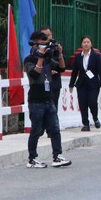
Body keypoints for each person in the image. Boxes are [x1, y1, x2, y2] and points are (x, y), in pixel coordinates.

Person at [24, 32, 71, 168]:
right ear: (34, 44)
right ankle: (32, 158)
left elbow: (62, 67)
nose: (44, 46)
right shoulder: (29, 59)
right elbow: (33, 74)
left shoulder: (48, 60)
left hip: (49, 99)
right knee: (36, 130)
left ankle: (57, 156)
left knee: (55, 129)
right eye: (41, 44)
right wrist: (40, 58)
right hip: (36, 100)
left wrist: (60, 53)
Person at [69, 36, 101, 131]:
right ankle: (85, 124)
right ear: (81, 44)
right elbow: (74, 72)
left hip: (93, 84)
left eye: (88, 42)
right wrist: (71, 84)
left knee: (92, 102)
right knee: (83, 104)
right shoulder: (78, 57)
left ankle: (95, 118)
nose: (86, 44)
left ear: (91, 44)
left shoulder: (96, 56)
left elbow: (100, 70)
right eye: (84, 42)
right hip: (81, 84)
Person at [38, 26, 65, 109]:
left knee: (53, 108)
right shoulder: (36, 49)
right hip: (40, 84)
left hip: (54, 82)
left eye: (48, 35)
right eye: (44, 35)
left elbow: (63, 65)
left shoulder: (56, 47)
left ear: (51, 35)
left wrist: (59, 53)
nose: (46, 37)